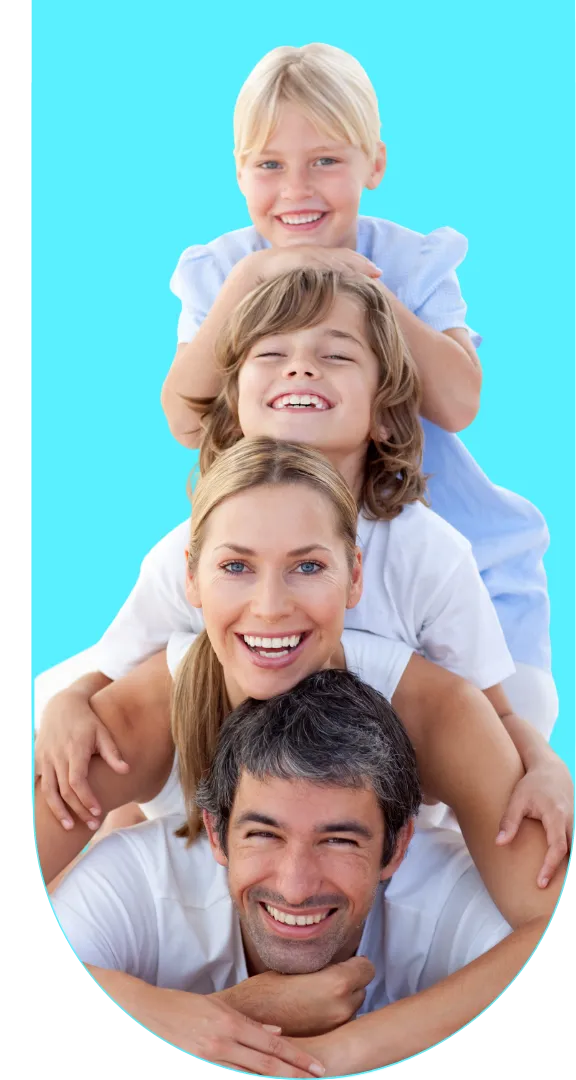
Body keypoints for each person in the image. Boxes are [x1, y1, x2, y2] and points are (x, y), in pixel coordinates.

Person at [35, 273, 572, 879]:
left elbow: (493, 714)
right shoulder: (191, 549)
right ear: (235, 409)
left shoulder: (429, 553)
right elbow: (109, 683)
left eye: (336, 354)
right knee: (128, 789)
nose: (300, 368)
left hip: (360, 804)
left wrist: (547, 767)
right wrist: (66, 707)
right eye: (271, 353)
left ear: (387, 416)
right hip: (218, 787)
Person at [160, 42, 555, 731]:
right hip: (304, 564)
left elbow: (459, 403)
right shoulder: (224, 270)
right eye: (270, 166)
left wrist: (359, 285)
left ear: (374, 162)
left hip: (444, 551)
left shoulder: (409, 261)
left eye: (326, 162)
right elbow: (187, 421)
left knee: (501, 732)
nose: (297, 190)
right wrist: (249, 285)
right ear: (240, 173)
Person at [35, 439, 571, 907]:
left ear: (354, 577)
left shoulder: (437, 712)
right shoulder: (148, 711)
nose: (270, 607)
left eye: (308, 567)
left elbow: (539, 916)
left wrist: (544, 763)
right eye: (236, 567)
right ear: (191, 580)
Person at [50, 669, 565, 1075]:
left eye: (338, 840)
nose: (295, 887)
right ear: (215, 833)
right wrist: (235, 1011)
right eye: (263, 835)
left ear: (395, 846)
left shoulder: (451, 892)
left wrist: (333, 1055)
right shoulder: (136, 878)